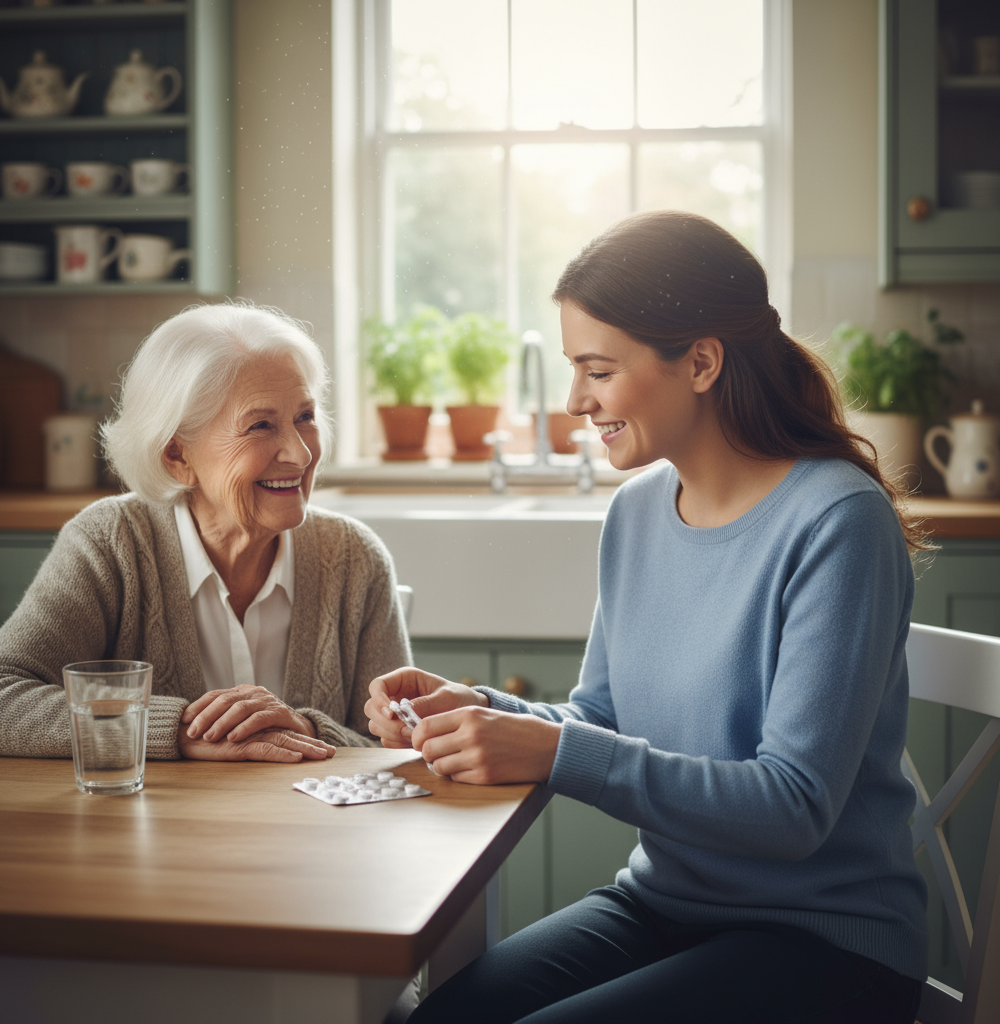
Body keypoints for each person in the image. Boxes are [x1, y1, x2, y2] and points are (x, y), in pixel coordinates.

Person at [366, 211, 928, 1024]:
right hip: (666, 906)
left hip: (826, 945)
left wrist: (555, 749)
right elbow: (598, 719)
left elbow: (794, 807)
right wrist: (480, 713)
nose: (572, 401)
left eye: (597, 370)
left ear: (700, 362)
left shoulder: (837, 521)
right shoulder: (635, 511)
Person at [0, 301, 410, 763]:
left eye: (305, 416)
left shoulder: (353, 556)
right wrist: (179, 730)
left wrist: (302, 728)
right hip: (153, 833)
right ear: (177, 456)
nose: (300, 454)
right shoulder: (110, 542)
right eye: (261, 425)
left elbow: (399, 744)